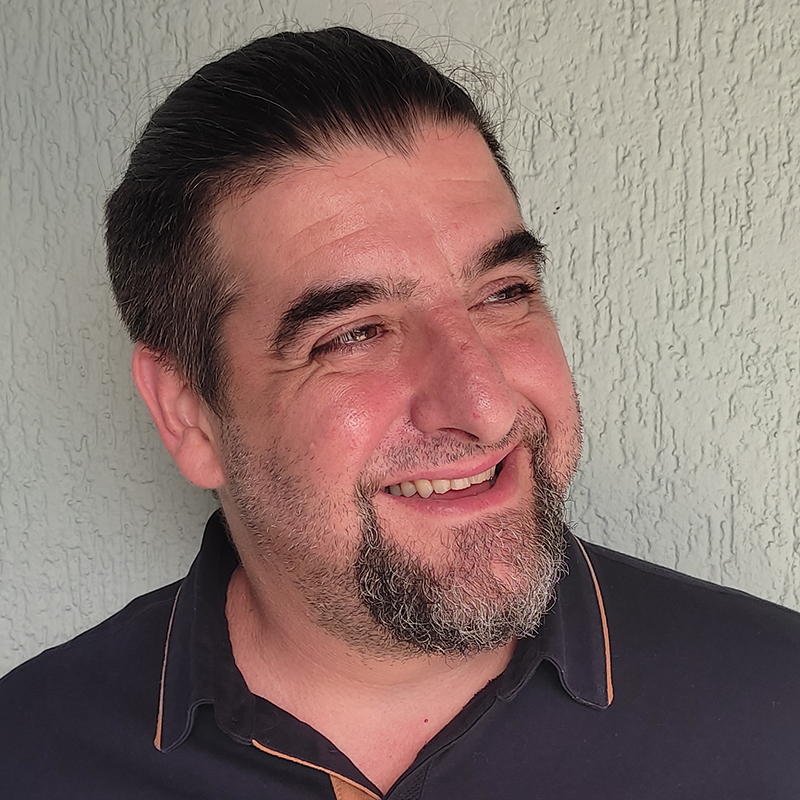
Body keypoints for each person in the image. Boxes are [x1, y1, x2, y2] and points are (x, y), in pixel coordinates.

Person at [1, 27, 799, 799]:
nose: (487, 407)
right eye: (354, 334)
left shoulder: (777, 713)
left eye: (504, 293)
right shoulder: (28, 758)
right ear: (188, 414)